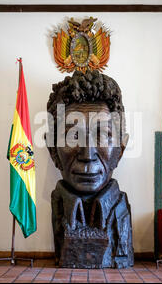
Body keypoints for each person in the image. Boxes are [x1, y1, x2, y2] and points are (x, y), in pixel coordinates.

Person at [46, 70, 133, 268]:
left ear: (120, 150)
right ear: (52, 151)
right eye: (73, 136)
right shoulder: (58, 205)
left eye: (102, 134)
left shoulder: (121, 210)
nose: (88, 154)